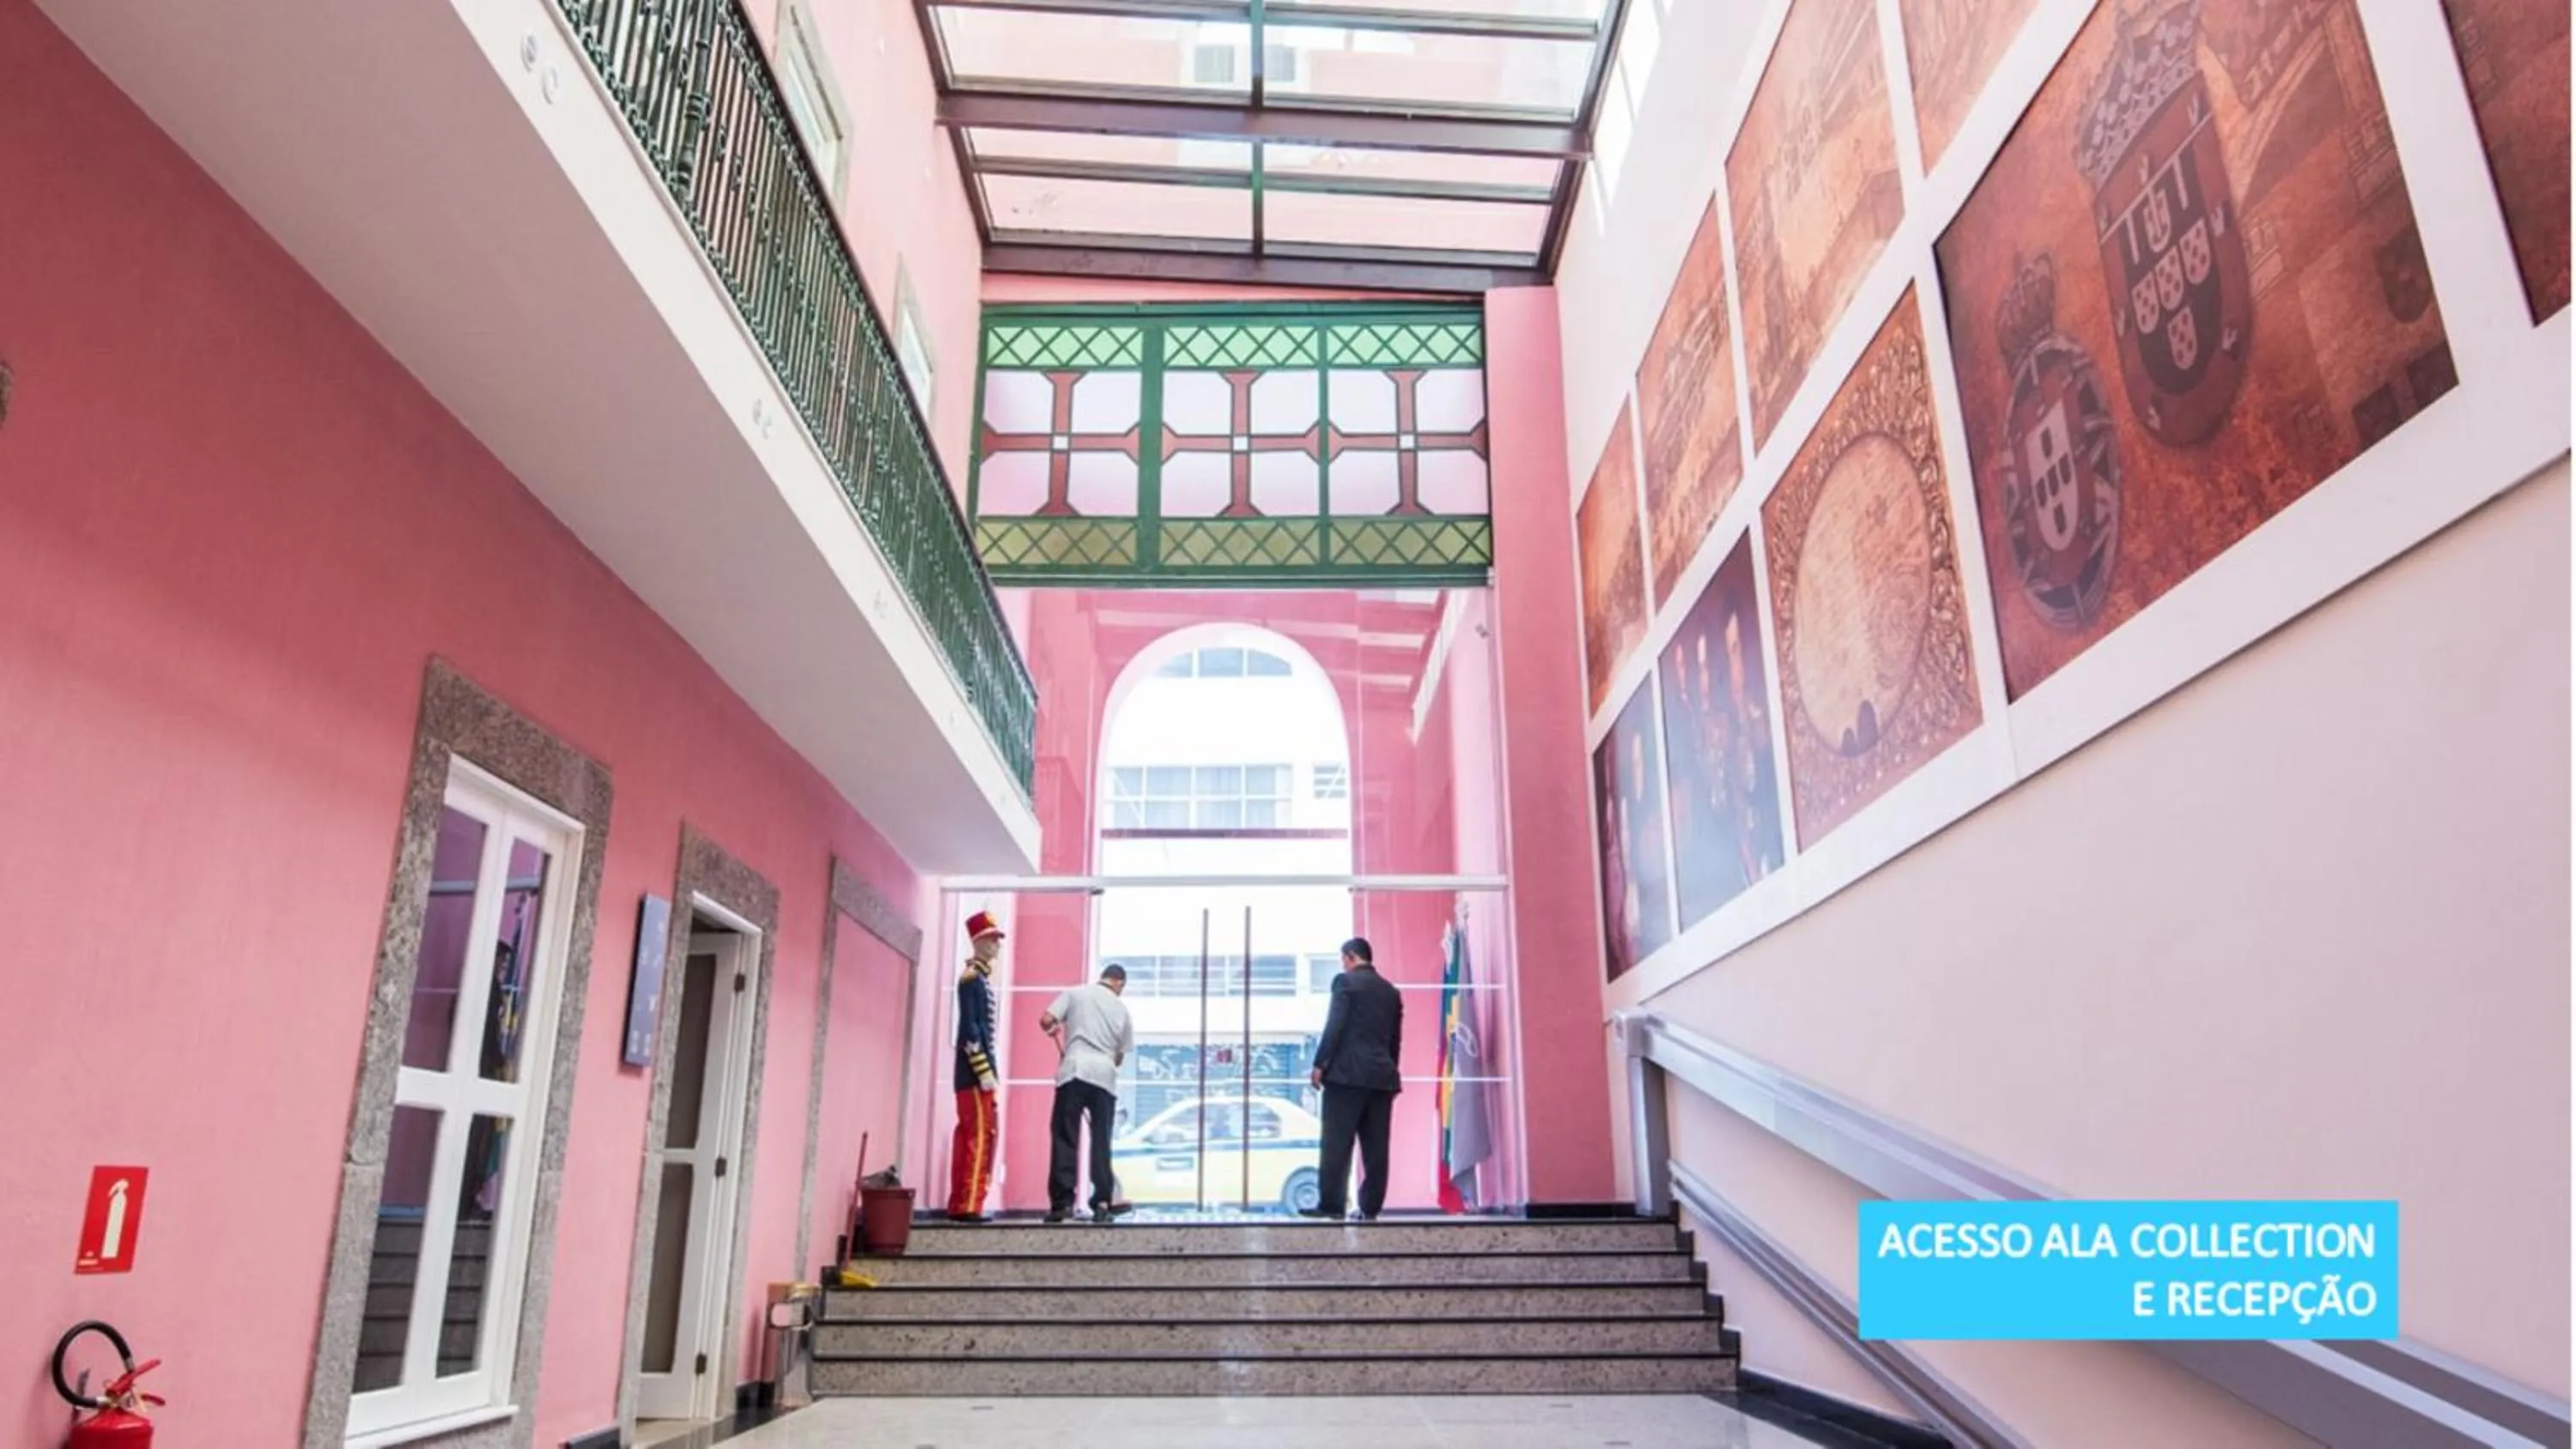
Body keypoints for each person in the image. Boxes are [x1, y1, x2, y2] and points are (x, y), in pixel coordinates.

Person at [1303, 936, 1402, 1222]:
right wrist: (1390, 1072)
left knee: (1337, 1142)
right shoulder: (1390, 991)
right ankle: (1370, 1207)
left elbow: (1335, 1024)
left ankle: (1332, 1205)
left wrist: (1320, 1063)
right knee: (1376, 1147)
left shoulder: (1345, 983)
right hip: (1381, 1078)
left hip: (1346, 1076)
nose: (1342, 965)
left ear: (1350, 957)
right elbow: (1394, 1039)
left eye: (1343, 960)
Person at [1039, 963, 1134, 1223]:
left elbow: (1046, 1020)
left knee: (1065, 1137)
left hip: (1074, 1070)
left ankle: (1062, 1204)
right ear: (1120, 983)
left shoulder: (1075, 993)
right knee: (1101, 1140)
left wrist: (1053, 1030)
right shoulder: (1122, 1010)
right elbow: (1119, 1057)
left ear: (1103, 978)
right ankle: (1102, 1201)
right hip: (1104, 1077)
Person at [946, 911, 1005, 1222]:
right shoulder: (972, 979)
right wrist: (983, 1071)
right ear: (978, 941)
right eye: (992, 939)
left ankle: (962, 1201)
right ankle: (969, 1203)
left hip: (973, 1073)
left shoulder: (979, 979)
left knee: (971, 1134)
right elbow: (971, 1030)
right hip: (973, 1073)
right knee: (979, 1137)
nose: (997, 945)